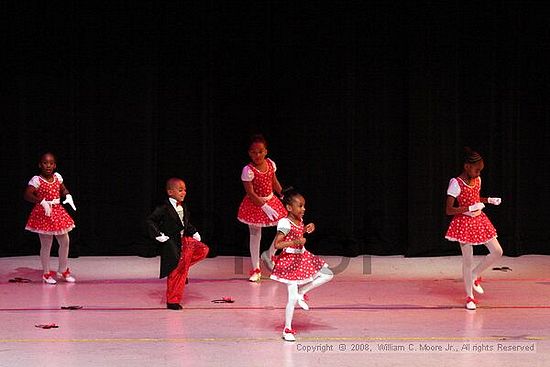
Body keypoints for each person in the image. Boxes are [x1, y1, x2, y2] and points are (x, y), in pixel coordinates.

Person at [270, 188, 333, 341]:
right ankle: (287, 329)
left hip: (302, 256)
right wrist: (295, 242)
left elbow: (298, 232)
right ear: (289, 208)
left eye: (304, 206)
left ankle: (302, 292)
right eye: (300, 206)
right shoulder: (284, 222)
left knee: (327, 274)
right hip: (290, 260)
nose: (303, 209)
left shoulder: (298, 220)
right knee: (291, 298)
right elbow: (278, 244)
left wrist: (306, 229)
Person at [445, 147, 503, 310]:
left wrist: (489, 200)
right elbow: (449, 210)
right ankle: (469, 297)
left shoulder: (477, 180)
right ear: (467, 167)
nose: (478, 173)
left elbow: (476, 198)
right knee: (468, 260)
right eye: (476, 170)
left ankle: (476, 274)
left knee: (497, 251)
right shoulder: (456, 183)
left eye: (480, 170)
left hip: (479, 219)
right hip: (463, 223)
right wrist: (469, 208)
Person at [146, 178, 209, 310]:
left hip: (183, 240)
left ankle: (183, 267)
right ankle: (172, 301)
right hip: (172, 244)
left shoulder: (183, 206)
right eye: (180, 190)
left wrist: (194, 232)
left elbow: (185, 223)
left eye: (185, 190)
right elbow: (151, 221)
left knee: (203, 249)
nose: (184, 192)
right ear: (170, 192)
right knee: (175, 273)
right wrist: (159, 235)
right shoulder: (164, 208)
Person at [237, 134, 287, 282]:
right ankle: (256, 268)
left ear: (266, 151)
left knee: (286, 226)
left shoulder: (271, 164)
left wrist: (284, 195)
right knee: (255, 236)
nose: (257, 155)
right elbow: (250, 193)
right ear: (249, 153)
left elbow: (274, 182)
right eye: (253, 152)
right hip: (255, 204)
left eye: (260, 151)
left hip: (271, 200)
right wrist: (263, 206)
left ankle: (270, 253)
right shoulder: (248, 170)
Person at [24, 152, 77, 284]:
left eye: (51, 163)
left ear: (55, 165)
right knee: (46, 244)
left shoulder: (57, 177)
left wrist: (68, 195)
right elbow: (27, 194)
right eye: (45, 163)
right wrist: (40, 201)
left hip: (57, 211)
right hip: (44, 213)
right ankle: (46, 273)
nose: (48, 165)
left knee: (65, 241)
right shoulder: (37, 180)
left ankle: (63, 270)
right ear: (40, 164)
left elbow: (63, 189)